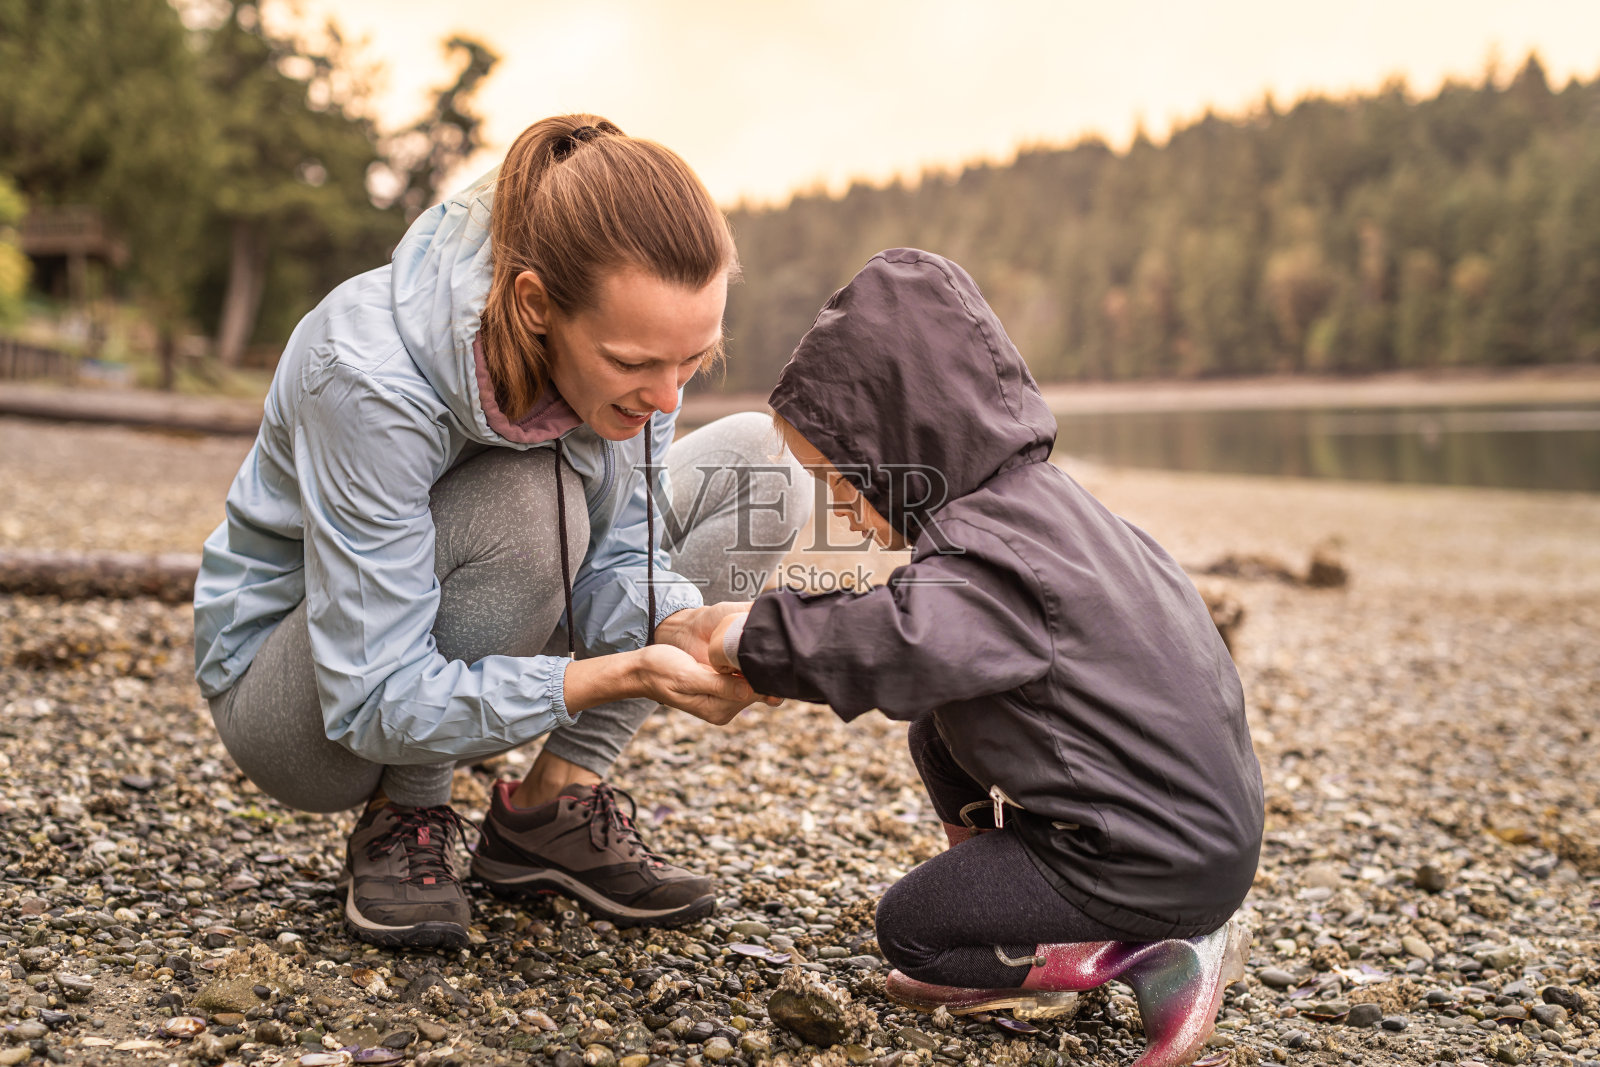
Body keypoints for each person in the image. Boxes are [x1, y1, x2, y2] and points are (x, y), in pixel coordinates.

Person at [193, 115, 810, 949]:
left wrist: (682, 619)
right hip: (304, 707)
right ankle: (405, 814)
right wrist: (611, 673)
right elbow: (371, 697)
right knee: (526, 502)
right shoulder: (366, 379)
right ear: (533, 304)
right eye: (633, 363)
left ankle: (552, 807)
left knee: (759, 464)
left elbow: (624, 547)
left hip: (484, 608)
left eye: (693, 359)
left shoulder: (637, 366)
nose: (667, 397)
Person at [708, 249, 1263, 1067]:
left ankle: (1139, 950)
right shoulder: (1051, 511)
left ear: (892, 444)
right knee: (940, 724)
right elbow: (934, 657)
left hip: (1153, 862)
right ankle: (1020, 902)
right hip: (1196, 829)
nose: (846, 517)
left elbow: (897, 643)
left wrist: (744, 639)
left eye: (838, 483)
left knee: (913, 937)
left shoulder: (987, 559)